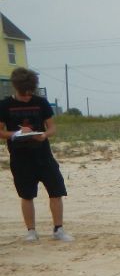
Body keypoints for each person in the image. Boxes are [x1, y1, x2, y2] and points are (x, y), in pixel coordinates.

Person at [0, 67, 73, 241]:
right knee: (26, 195)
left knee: (56, 191)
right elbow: (1, 132)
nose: (27, 96)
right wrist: (17, 134)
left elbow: (52, 127)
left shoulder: (41, 102)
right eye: (24, 93)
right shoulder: (5, 105)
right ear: (16, 88)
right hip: (20, 157)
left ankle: (58, 229)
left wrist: (44, 135)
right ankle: (31, 231)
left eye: (30, 93)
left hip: (43, 155)